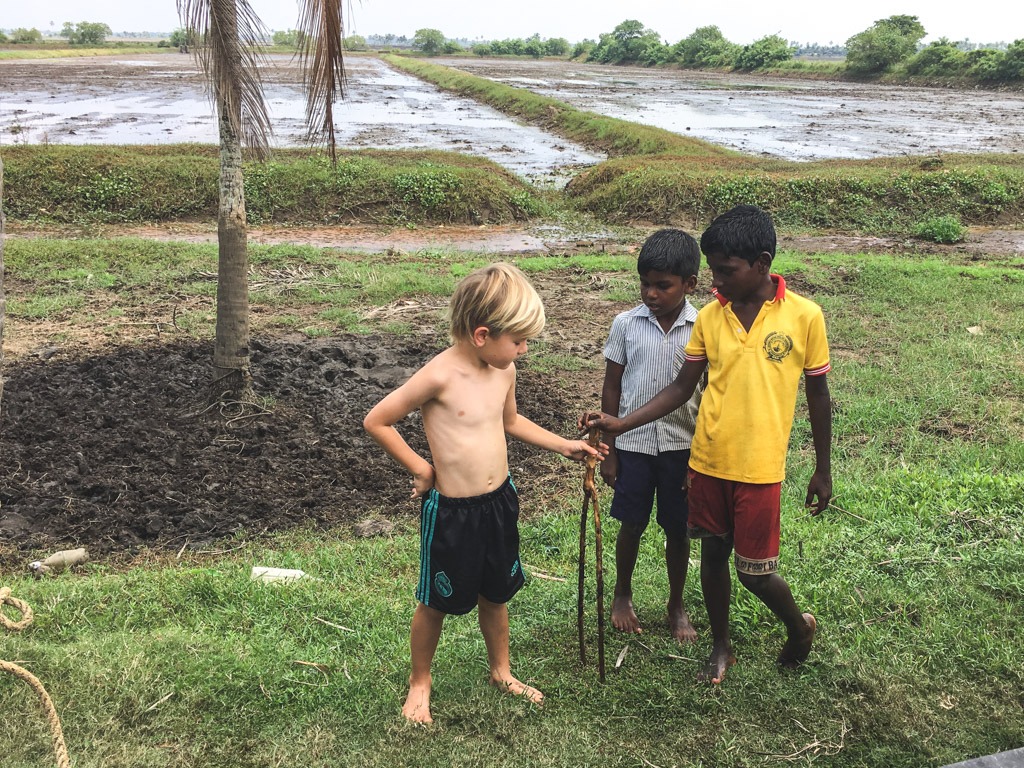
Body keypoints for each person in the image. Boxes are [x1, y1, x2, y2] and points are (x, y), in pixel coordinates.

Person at [582, 205, 832, 684]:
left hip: (760, 467)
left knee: (754, 573)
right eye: (712, 270)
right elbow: (681, 388)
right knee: (713, 557)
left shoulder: (805, 316)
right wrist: (619, 424)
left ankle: (798, 628)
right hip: (707, 461)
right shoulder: (711, 319)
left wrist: (822, 467)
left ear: (761, 263)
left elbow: (818, 395)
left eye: (725, 270)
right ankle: (721, 647)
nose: (717, 280)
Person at [364, 262, 605, 724]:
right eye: (518, 340)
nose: (524, 349)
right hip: (454, 513)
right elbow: (378, 419)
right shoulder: (439, 376)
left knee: (496, 594)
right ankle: (420, 682)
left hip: (499, 503)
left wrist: (565, 446)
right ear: (481, 334)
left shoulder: (504, 370)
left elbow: (510, 422)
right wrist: (421, 468)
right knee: (436, 601)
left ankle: (501, 671)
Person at [599, 228, 705, 644]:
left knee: (678, 529)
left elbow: (710, 394)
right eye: (645, 283)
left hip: (683, 447)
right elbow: (612, 386)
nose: (651, 293)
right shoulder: (625, 324)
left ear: (689, 284)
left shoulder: (704, 327)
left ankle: (676, 604)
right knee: (631, 522)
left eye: (663, 286)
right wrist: (607, 450)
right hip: (633, 446)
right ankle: (622, 592)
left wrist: (700, 458)